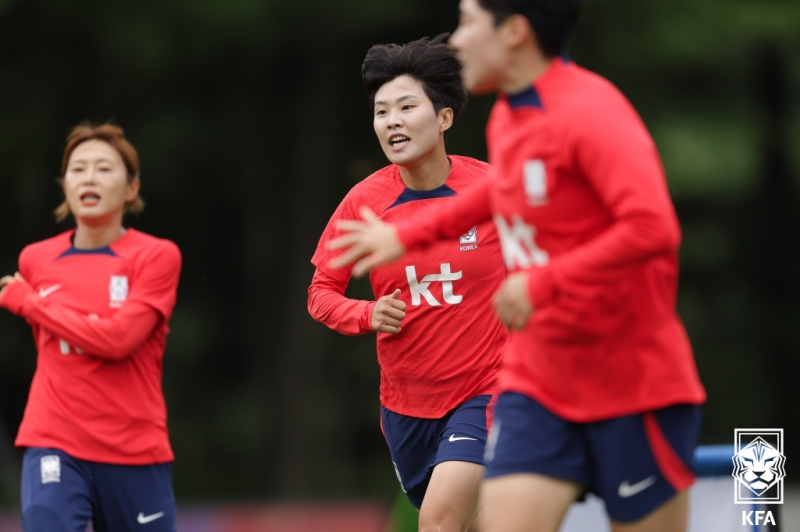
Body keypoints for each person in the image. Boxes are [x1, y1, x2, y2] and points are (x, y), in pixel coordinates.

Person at [327, 2, 707, 531]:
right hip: (536, 381)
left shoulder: (592, 110)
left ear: (514, 32)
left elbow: (652, 229)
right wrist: (404, 236)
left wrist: (542, 284)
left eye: (468, 23)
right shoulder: (510, 116)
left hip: (630, 380)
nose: (457, 41)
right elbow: (501, 192)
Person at [308, 36, 508, 532]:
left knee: (437, 523)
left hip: (488, 390)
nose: (392, 121)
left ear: (444, 118)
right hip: (406, 407)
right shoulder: (364, 202)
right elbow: (320, 292)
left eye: (406, 107)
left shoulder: (491, 189)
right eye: (381, 112)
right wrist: (367, 313)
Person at [0, 123, 181, 532]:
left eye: (104, 168)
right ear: (64, 185)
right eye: (78, 169)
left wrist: (30, 302)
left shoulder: (156, 256)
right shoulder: (35, 259)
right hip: (54, 439)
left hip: (134, 449)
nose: (89, 178)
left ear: (132, 188)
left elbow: (119, 340)